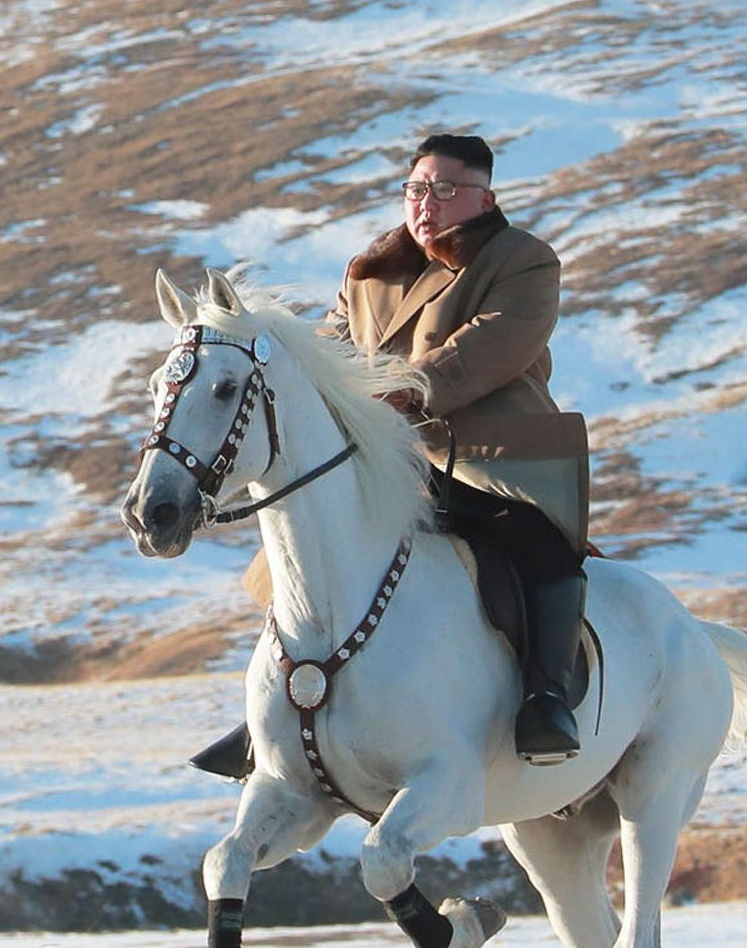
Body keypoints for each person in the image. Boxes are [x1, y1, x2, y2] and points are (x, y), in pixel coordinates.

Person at [189, 132, 590, 777]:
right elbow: (329, 352)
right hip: (385, 460)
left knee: (541, 551)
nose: (425, 203)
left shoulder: (522, 261)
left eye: (444, 190)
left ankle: (546, 699)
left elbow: (489, 347)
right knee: (297, 558)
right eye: (415, 189)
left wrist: (397, 390)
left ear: (485, 197)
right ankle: (280, 711)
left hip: (487, 458)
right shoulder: (368, 270)